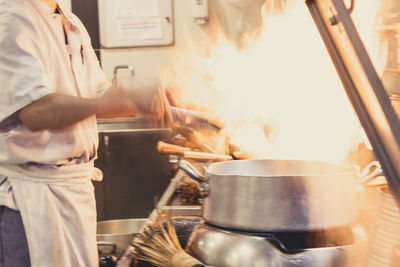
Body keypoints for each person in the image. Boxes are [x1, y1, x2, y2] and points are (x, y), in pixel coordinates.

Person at [0, 0, 171, 266]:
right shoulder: (11, 17)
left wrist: (148, 99)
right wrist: (132, 100)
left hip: (74, 193)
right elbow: (37, 110)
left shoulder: (70, 22)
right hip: (32, 201)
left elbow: (98, 92)